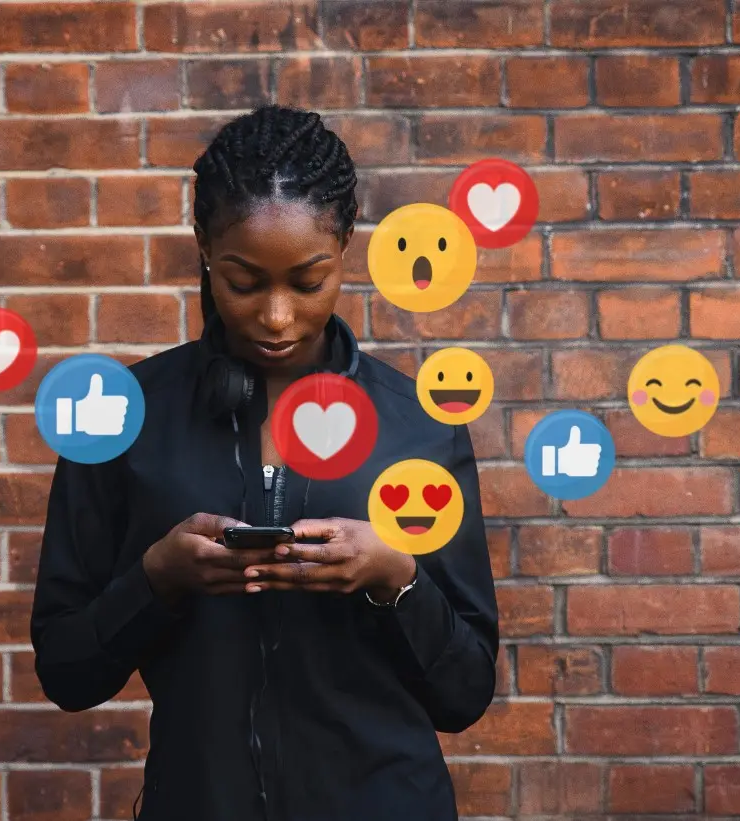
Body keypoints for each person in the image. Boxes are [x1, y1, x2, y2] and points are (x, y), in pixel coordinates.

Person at [30, 104, 498, 821]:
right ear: (204, 250)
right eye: (245, 282)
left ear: (345, 247)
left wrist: (393, 576)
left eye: (308, 281)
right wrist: (158, 577)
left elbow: (465, 691)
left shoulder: (421, 427)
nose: (277, 316)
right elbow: (66, 668)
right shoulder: (119, 416)